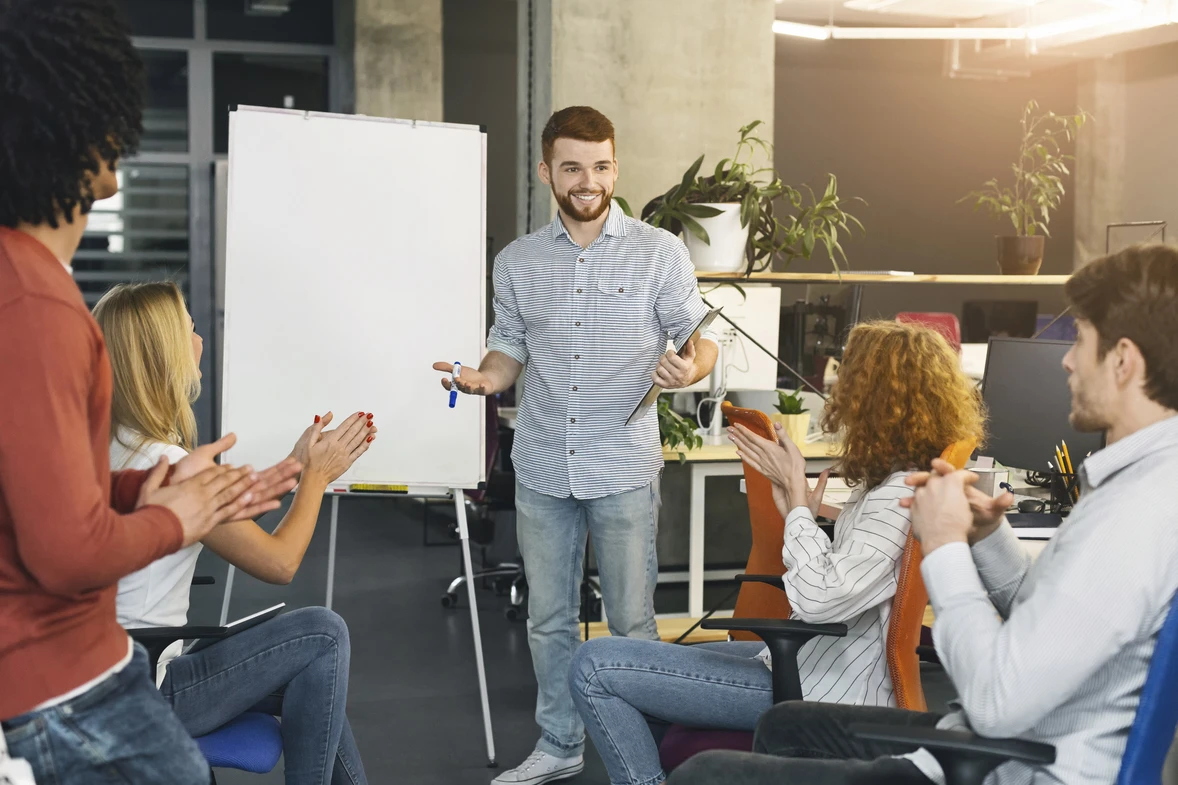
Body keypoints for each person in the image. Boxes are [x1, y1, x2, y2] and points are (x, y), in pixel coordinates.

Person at [669, 244, 1178, 785]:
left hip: (1007, 766)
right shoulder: (1141, 487)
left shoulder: (1132, 517)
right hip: (991, 747)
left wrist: (946, 549)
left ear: (1124, 361)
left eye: (1080, 340)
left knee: (704, 774)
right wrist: (986, 536)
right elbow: (1047, 620)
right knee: (786, 726)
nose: (1067, 360)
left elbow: (992, 701)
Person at [0, 1, 300, 782]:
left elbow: (36, 491)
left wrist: (143, 485)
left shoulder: (33, 288)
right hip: (63, 683)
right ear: (81, 127)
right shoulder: (34, 305)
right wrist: (178, 516)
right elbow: (66, 551)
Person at [432, 105, 721, 784]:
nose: (587, 180)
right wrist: (484, 378)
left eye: (599, 166)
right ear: (546, 172)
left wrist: (693, 366)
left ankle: (640, 752)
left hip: (621, 465)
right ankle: (560, 744)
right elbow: (508, 348)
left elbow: (699, 334)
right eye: (571, 167)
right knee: (549, 619)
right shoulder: (518, 262)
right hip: (540, 465)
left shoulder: (659, 251)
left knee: (630, 624)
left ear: (614, 168)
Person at [569, 320, 986, 785]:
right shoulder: (895, 482)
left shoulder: (897, 497)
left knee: (593, 667)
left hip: (822, 688)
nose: (838, 396)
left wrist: (797, 504)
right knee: (624, 659)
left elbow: (818, 599)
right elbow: (842, 580)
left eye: (849, 385)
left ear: (877, 400)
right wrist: (800, 507)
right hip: (807, 661)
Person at [93, 281, 376, 785]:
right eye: (191, 330)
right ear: (165, 355)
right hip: (144, 692)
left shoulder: (106, 450)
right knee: (322, 634)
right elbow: (279, 564)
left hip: (112, 671)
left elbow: (229, 529)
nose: (200, 341)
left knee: (314, 673)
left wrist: (294, 466)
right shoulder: (169, 463)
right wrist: (315, 477)